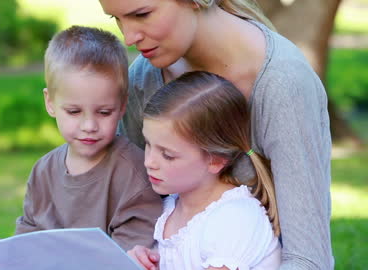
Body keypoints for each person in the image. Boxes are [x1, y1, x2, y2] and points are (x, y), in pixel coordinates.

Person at [98, 0, 334, 269]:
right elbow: (122, 211)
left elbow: (308, 259)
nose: (128, 38)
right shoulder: (143, 78)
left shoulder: (283, 85)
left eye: (142, 14)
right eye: (115, 19)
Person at [13, 25, 162, 251]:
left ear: (122, 105)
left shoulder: (134, 174)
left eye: (104, 112)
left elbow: (127, 258)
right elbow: (28, 239)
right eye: (74, 112)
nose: (89, 126)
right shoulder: (43, 172)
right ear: (50, 103)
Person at [130, 71, 281, 270]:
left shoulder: (235, 218)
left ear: (216, 161)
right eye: (148, 144)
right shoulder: (171, 207)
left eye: (167, 155)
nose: (149, 162)